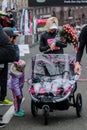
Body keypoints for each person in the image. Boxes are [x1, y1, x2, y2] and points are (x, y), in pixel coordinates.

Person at [0, 25, 16, 105]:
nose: (11, 38)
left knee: (3, 81)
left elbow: (14, 57)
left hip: (4, 63)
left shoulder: (8, 45)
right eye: (10, 36)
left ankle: (2, 97)